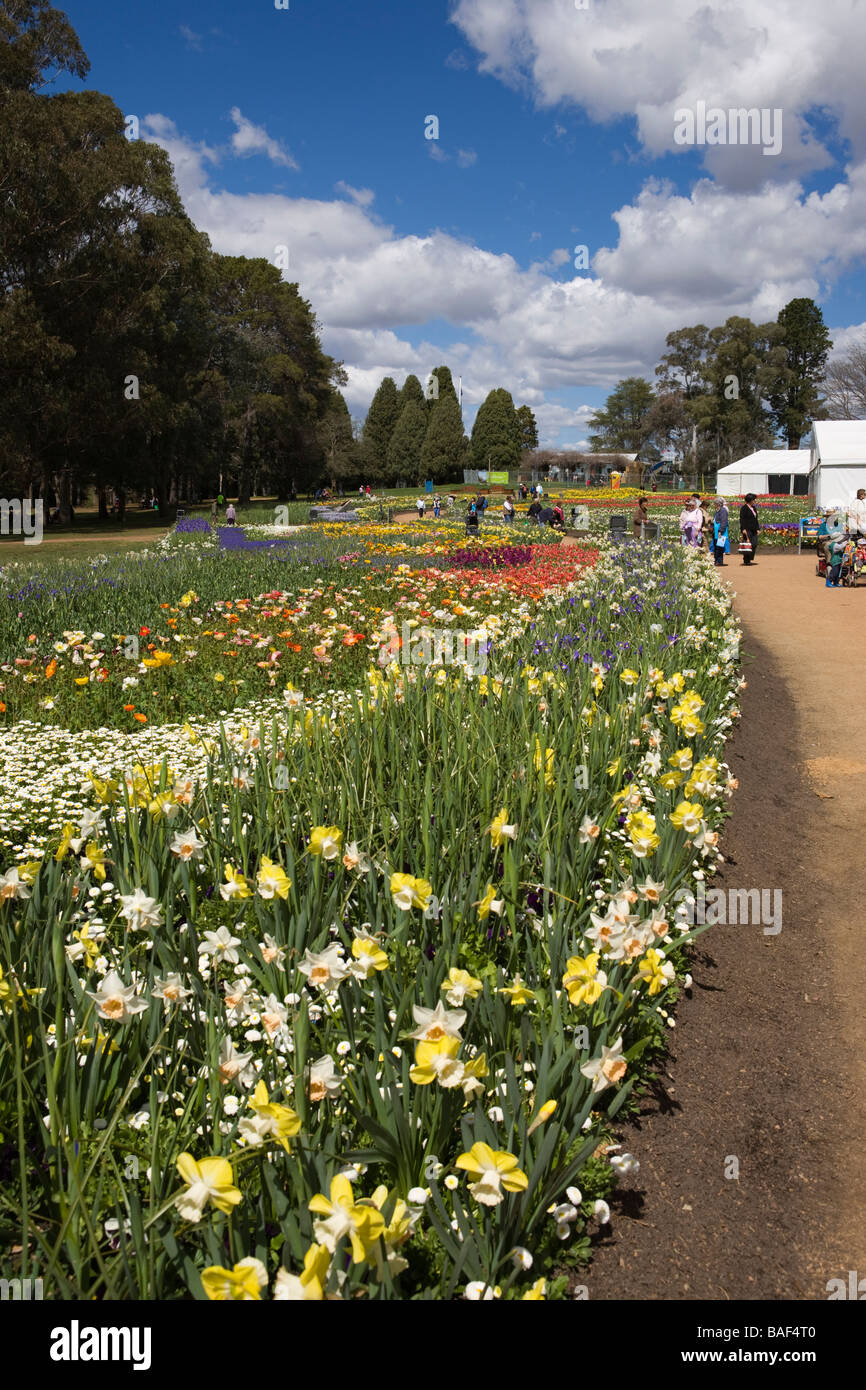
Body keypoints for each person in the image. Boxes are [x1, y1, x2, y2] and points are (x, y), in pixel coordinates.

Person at [739, 493, 759, 565]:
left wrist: (758, 528)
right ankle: (746, 560)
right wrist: (743, 529)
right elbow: (742, 519)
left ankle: (749, 557)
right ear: (750, 500)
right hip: (747, 529)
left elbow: (756, 519)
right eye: (754, 500)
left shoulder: (753, 508)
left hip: (754, 529)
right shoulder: (744, 508)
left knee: (754, 543)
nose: (755, 501)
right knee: (747, 544)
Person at [712, 498, 729, 566]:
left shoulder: (723, 511)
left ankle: (719, 561)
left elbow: (723, 521)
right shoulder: (718, 511)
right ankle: (716, 561)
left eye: (715, 503)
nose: (714, 505)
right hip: (716, 532)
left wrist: (720, 531)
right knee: (716, 546)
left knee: (720, 547)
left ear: (717, 504)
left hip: (721, 532)